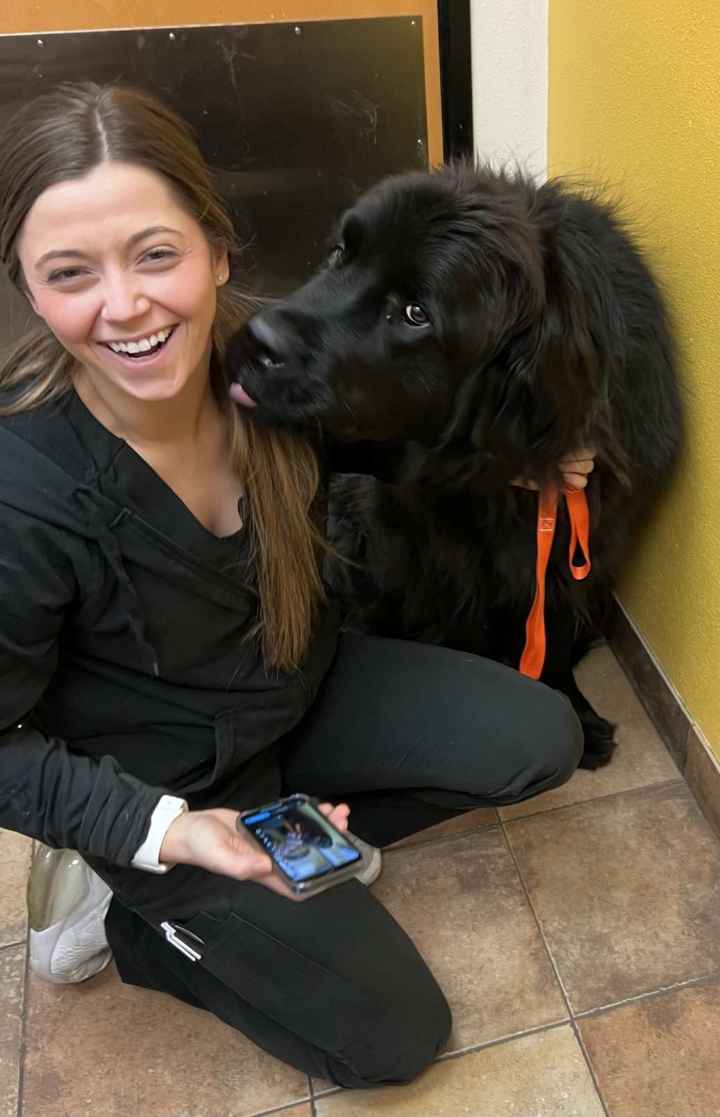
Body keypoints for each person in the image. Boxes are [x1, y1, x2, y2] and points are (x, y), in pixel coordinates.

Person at [0, 83, 586, 1090]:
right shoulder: (26, 498)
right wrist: (165, 832)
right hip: (170, 785)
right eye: (70, 273)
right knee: (395, 1036)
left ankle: (286, 824)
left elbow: (392, 438)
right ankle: (143, 926)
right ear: (27, 286)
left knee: (543, 741)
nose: (126, 304)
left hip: (295, 690)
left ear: (218, 249)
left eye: (155, 254)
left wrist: (533, 455)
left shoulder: (267, 360)